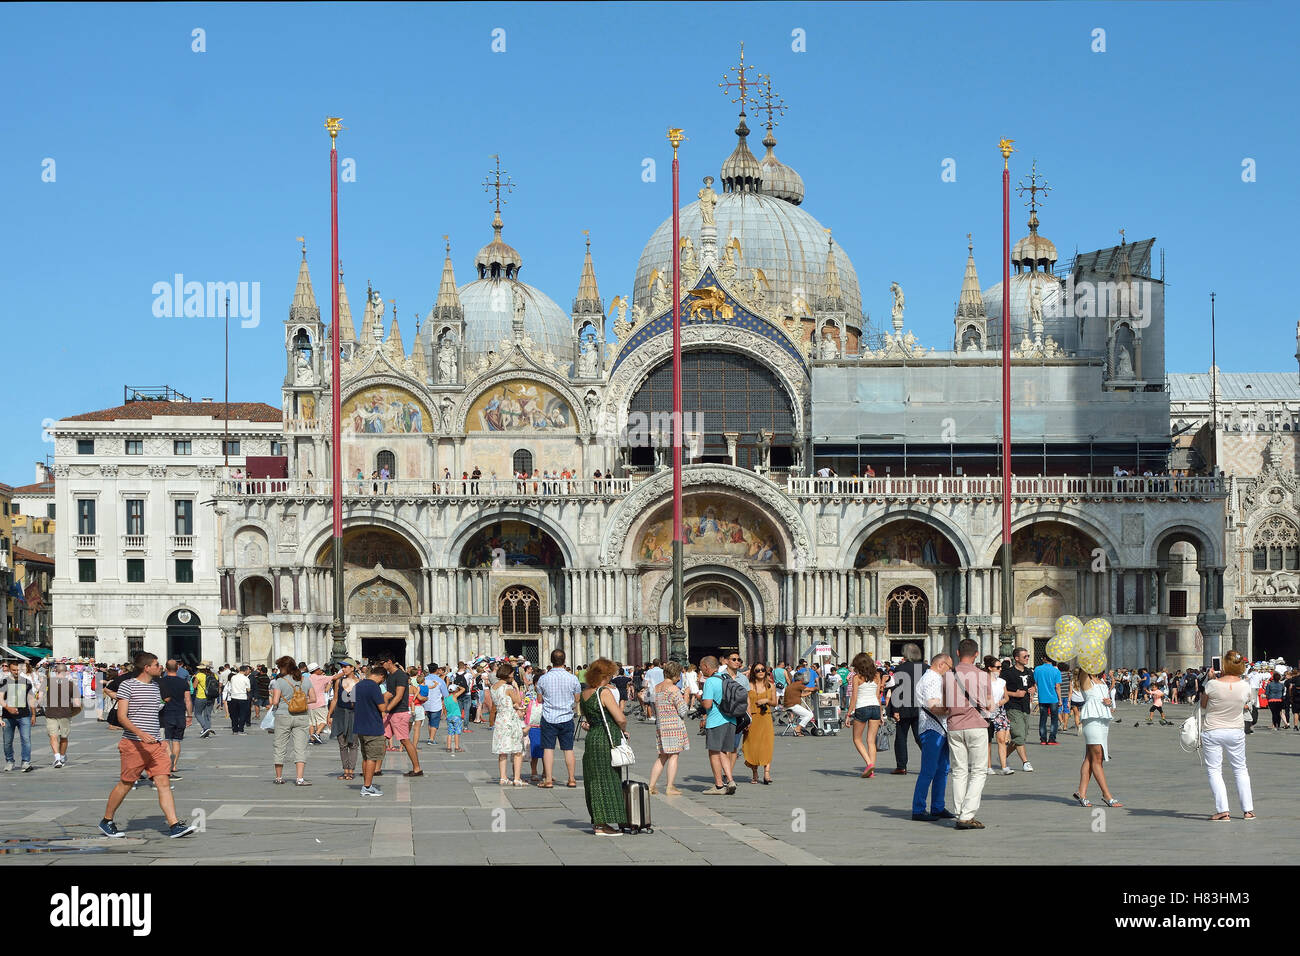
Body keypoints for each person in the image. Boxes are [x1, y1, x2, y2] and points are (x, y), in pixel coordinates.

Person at [97, 652, 198, 839]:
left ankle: (174, 825)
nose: (160, 667)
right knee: (126, 784)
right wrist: (141, 734)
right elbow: (122, 717)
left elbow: (154, 712)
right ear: (147, 668)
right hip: (134, 744)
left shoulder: (155, 687)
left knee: (163, 782)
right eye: (157, 664)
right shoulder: (128, 686)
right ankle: (106, 820)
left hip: (155, 744)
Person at [1200, 650, 1255, 821]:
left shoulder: (1212, 685)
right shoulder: (1245, 686)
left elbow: (1203, 706)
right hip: (1235, 730)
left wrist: (1210, 679)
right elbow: (1245, 703)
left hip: (1213, 730)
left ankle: (1223, 810)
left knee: (1215, 770)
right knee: (1240, 769)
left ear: (1224, 665)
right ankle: (1248, 810)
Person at [945, 639, 992, 830]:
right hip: (976, 726)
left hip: (954, 726)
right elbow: (989, 704)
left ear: (957, 653)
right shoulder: (982, 675)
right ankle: (966, 814)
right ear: (977, 654)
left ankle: (958, 811)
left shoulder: (948, 676)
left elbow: (945, 703)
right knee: (979, 771)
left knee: (958, 771)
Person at [579, 658, 629, 836]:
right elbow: (621, 718)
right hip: (606, 740)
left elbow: (589, 719)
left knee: (594, 780)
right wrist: (623, 729)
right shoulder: (603, 692)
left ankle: (598, 821)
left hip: (592, 739)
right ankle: (603, 824)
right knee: (609, 780)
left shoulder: (585, 694)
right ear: (606, 675)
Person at [911, 653, 955, 823]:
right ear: (941, 665)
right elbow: (934, 706)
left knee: (943, 768)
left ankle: (937, 806)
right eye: (949, 667)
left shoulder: (934, 678)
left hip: (940, 728)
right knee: (928, 769)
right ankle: (918, 808)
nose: (949, 671)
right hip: (931, 729)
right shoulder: (932, 679)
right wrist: (952, 709)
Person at [1074, 665, 1121, 807]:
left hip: (1103, 719)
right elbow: (1084, 669)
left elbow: (1103, 698)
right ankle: (1107, 795)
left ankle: (1081, 793)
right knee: (1097, 757)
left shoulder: (1100, 680)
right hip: (1092, 719)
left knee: (1089, 757)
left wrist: (1107, 701)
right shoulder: (1086, 678)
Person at [536, 648, 583, 788]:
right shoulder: (572, 678)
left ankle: (548, 780)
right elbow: (577, 698)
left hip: (549, 717)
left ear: (551, 660)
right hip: (566, 717)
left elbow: (539, 699)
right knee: (568, 749)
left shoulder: (543, 678)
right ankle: (571, 779)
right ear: (564, 660)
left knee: (548, 749)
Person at [269, 656, 317, 786]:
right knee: (300, 748)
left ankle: (279, 777)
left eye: (280, 667)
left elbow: (275, 702)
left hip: (283, 716)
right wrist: (299, 702)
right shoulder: (305, 680)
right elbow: (313, 698)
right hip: (301, 716)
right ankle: (300, 778)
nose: (279, 669)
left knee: (280, 746)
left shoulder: (280, 681)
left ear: (285, 667)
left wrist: (287, 702)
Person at [378, 655, 423, 777]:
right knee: (382, 738)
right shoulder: (390, 676)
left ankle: (417, 768)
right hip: (391, 712)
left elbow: (398, 696)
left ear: (389, 661)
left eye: (382, 663)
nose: (381, 666)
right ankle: (377, 769)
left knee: (404, 740)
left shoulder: (401, 676)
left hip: (399, 712)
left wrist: (386, 709)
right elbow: (389, 694)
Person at [886, 642, 926, 774]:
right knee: (921, 737)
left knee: (901, 737)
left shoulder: (900, 669)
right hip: (921, 707)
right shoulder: (926, 668)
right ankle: (933, 761)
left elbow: (896, 691)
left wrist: (895, 710)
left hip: (903, 708)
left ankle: (901, 766)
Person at [699, 655, 737, 795]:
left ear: (707, 667)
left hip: (716, 721)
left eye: (701, 667)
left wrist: (700, 699)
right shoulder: (727, 678)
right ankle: (731, 780)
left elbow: (708, 704)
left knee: (714, 752)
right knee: (723, 752)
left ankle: (719, 786)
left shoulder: (710, 682)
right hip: (731, 720)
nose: (700, 669)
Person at [488, 661, 526, 786]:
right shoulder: (508, 688)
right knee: (517, 750)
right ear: (508, 674)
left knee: (502, 750)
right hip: (511, 719)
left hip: (500, 719)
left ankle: (503, 777)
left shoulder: (493, 687)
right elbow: (518, 700)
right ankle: (516, 778)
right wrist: (515, 686)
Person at [847, 652, 884, 778]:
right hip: (874, 708)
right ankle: (871, 770)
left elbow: (854, 697)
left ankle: (869, 764)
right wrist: (881, 714)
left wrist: (848, 714)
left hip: (862, 708)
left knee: (857, 739)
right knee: (871, 741)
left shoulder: (857, 677)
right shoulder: (877, 676)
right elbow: (878, 697)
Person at [354, 665, 389, 796]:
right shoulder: (374, 687)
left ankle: (366, 784)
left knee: (365, 757)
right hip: (373, 726)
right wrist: (386, 697)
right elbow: (382, 708)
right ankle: (367, 787)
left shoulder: (359, 685)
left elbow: (352, 703)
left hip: (360, 725)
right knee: (372, 758)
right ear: (381, 676)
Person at [158, 659, 193, 778]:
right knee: (177, 740)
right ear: (178, 668)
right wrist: (189, 715)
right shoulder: (183, 682)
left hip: (165, 713)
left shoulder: (160, 682)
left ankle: (168, 763)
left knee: (166, 740)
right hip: (179, 713)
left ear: (166, 669)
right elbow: (187, 700)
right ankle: (174, 765)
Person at [744, 662, 777, 785]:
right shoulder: (748, 685)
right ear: (753, 672)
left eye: (763, 669)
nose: (760, 672)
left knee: (767, 745)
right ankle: (754, 773)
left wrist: (766, 700)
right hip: (753, 718)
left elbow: (775, 702)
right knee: (752, 746)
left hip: (766, 718)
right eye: (757, 670)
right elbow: (746, 703)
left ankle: (767, 773)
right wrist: (747, 719)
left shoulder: (771, 686)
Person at [1002, 647, 1035, 771]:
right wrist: (1015, 694)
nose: (1027, 658)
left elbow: (1032, 685)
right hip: (1013, 707)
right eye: (1025, 656)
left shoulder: (1029, 672)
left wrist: (1033, 689)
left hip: (1025, 707)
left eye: (1028, 656)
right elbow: (1001, 690)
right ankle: (1026, 762)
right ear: (1016, 658)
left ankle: (1002, 755)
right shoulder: (1007, 673)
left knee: (1020, 737)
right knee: (1019, 735)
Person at [43, 663, 81, 769]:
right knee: (64, 737)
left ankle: (57, 758)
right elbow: (77, 703)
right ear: (66, 672)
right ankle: (63, 757)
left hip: (51, 713)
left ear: (56, 671)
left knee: (53, 736)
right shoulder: (71, 684)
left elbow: (40, 697)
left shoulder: (47, 682)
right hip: (65, 713)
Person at [327, 659, 360, 781]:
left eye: (346, 667)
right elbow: (335, 698)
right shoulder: (339, 682)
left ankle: (351, 770)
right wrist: (330, 714)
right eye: (342, 667)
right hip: (340, 714)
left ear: (352, 668)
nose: (343, 669)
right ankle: (345, 770)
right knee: (342, 743)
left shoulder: (359, 682)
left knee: (353, 743)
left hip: (354, 715)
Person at [0, 660, 35, 772]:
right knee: (7, 741)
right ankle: (10, 761)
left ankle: (26, 761)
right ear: (10, 670)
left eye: (18, 670)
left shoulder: (27, 682)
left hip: (24, 715)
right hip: (8, 716)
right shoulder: (4, 682)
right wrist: (8, 708)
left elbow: (31, 699)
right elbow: (0, 698)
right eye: (14, 670)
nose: (16, 672)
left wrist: (33, 714)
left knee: (26, 739)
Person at [983, 657, 1014, 775]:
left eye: (1000, 667)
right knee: (988, 741)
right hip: (986, 712)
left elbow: (1006, 697)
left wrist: (1001, 702)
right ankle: (988, 766)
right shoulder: (983, 681)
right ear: (990, 668)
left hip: (1000, 711)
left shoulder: (1002, 681)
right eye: (998, 667)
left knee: (1001, 739)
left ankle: (1004, 766)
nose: (1000, 669)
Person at [1033, 656, 1062, 744]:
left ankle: (1043, 739)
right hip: (1053, 698)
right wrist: (1060, 699)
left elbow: (1035, 683)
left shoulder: (1037, 669)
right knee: (1054, 719)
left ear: (1044, 659)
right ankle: (1052, 739)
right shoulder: (1056, 671)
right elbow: (1057, 686)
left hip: (1042, 697)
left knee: (1043, 719)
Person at [783, 671, 814, 736]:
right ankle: (798, 728)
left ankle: (800, 729)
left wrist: (810, 693)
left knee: (803, 715)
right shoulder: (798, 685)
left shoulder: (791, 685)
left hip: (787, 705)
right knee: (810, 715)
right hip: (792, 705)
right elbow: (808, 689)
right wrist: (816, 688)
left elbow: (801, 695)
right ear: (801, 679)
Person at [191, 662, 219, 738]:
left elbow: (194, 686)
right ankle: (207, 732)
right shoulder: (215, 675)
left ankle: (205, 728)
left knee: (197, 714)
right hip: (211, 697)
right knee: (207, 715)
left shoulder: (199, 675)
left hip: (201, 697)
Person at [422, 664, 447, 745]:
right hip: (436, 704)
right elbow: (445, 694)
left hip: (426, 704)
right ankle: (431, 739)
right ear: (436, 670)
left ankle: (430, 737)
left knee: (430, 721)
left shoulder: (424, 680)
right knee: (435, 722)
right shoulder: (440, 680)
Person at [227, 665, 252, 734]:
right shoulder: (246, 678)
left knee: (234, 714)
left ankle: (235, 729)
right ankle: (241, 729)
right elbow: (248, 689)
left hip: (234, 697)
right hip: (242, 697)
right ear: (245, 671)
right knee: (242, 714)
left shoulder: (233, 677)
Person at [444, 678, 466, 753]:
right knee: (457, 732)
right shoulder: (454, 696)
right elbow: (463, 689)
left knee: (450, 733)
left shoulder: (446, 698)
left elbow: (444, 708)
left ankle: (448, 747)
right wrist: (458, 686)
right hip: (456, 716)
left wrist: (445, 715)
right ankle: (456, 747)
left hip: (449, 716)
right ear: (454, 691)